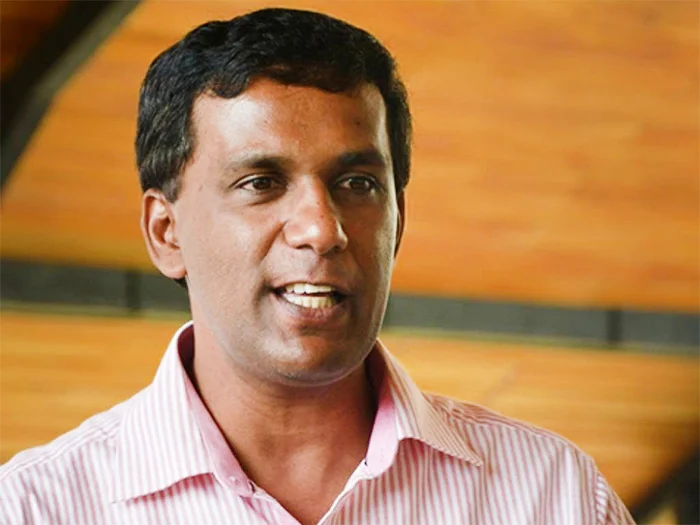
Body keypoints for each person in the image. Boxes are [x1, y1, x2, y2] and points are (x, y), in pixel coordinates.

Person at [1, 8, 634, 524]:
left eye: (357, 183)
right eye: (260, 182)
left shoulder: (556, 499)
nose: (322, 229)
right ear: (166, 233)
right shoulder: (33, 510)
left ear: (397, 223)